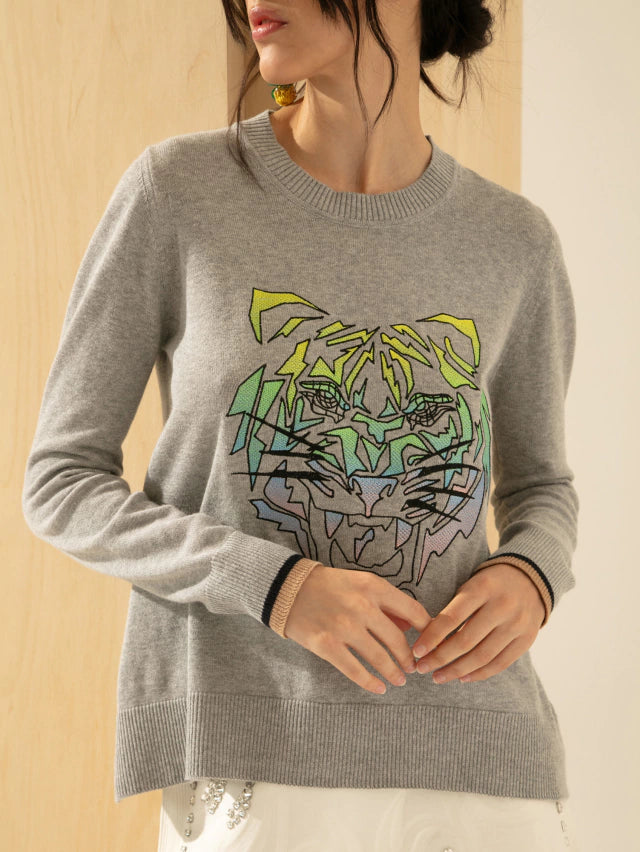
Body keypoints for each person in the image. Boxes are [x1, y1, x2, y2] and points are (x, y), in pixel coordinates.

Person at [22, 0, 581, 849]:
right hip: (258, 749)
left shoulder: (514, 240)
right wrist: (274, 585)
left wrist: (533, 575)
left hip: (483, 757)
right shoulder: (178, 192)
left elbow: (542, 486)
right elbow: (60, 484)